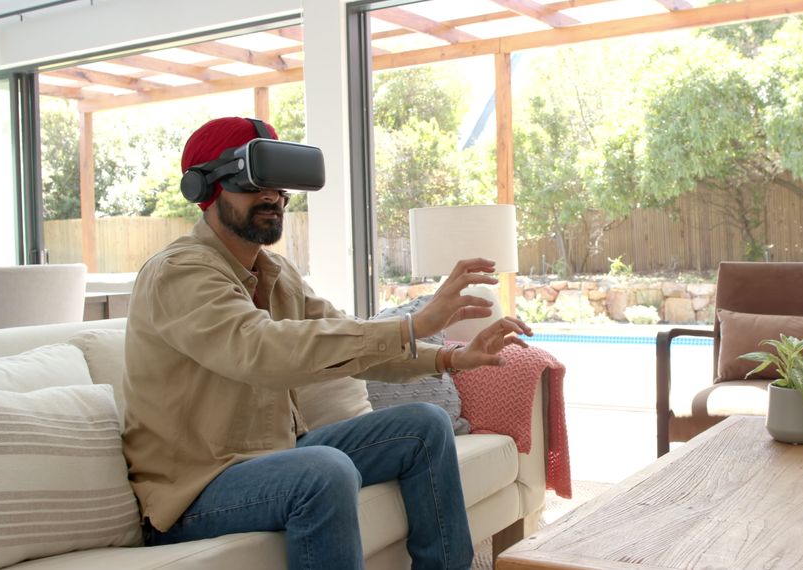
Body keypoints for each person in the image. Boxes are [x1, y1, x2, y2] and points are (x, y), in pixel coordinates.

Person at [121, 116, 532, 570]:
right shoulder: (180, 272)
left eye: (280, 185)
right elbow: (261, 349)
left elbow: (354, 348)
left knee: (425, 426)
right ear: (204, 188)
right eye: (255, 182)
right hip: (196, 489)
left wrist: (452, 357)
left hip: (273, 458)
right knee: (323, 470)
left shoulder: (278, 274)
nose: (273, 197)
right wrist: (412, 325)